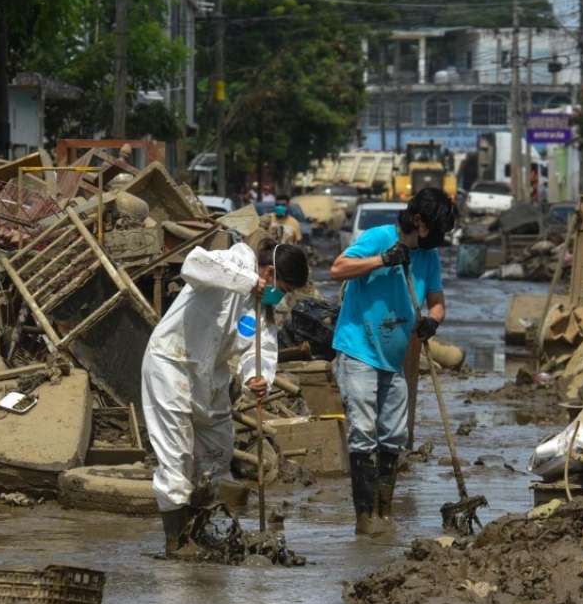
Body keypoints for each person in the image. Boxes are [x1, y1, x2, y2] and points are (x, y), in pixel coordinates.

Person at [141, 238, 310, 557]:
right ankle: (176, 542)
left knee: (217, 454)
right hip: (171, 364)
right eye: (283, 288)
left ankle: (199, 528)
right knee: (176, 456)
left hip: (209, 378)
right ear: (268, 272)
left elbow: (261, 350)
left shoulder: (261, 311)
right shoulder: (233, 262)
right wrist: (247, 282)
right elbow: (193, 265)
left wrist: (257, 378)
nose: (281, 296)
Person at [329, 188, 457, 536]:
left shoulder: (428, 257)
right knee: (363, 431)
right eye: (438, 229)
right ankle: (364, 517)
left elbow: (437, 302)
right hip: (359, 348)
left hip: (395, 357)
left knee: (395, 434)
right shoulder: (378, 238)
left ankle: (384, 513)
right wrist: (383, 260)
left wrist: (433, 320)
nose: (440, 238)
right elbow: (337, 269)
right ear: (419, 222)